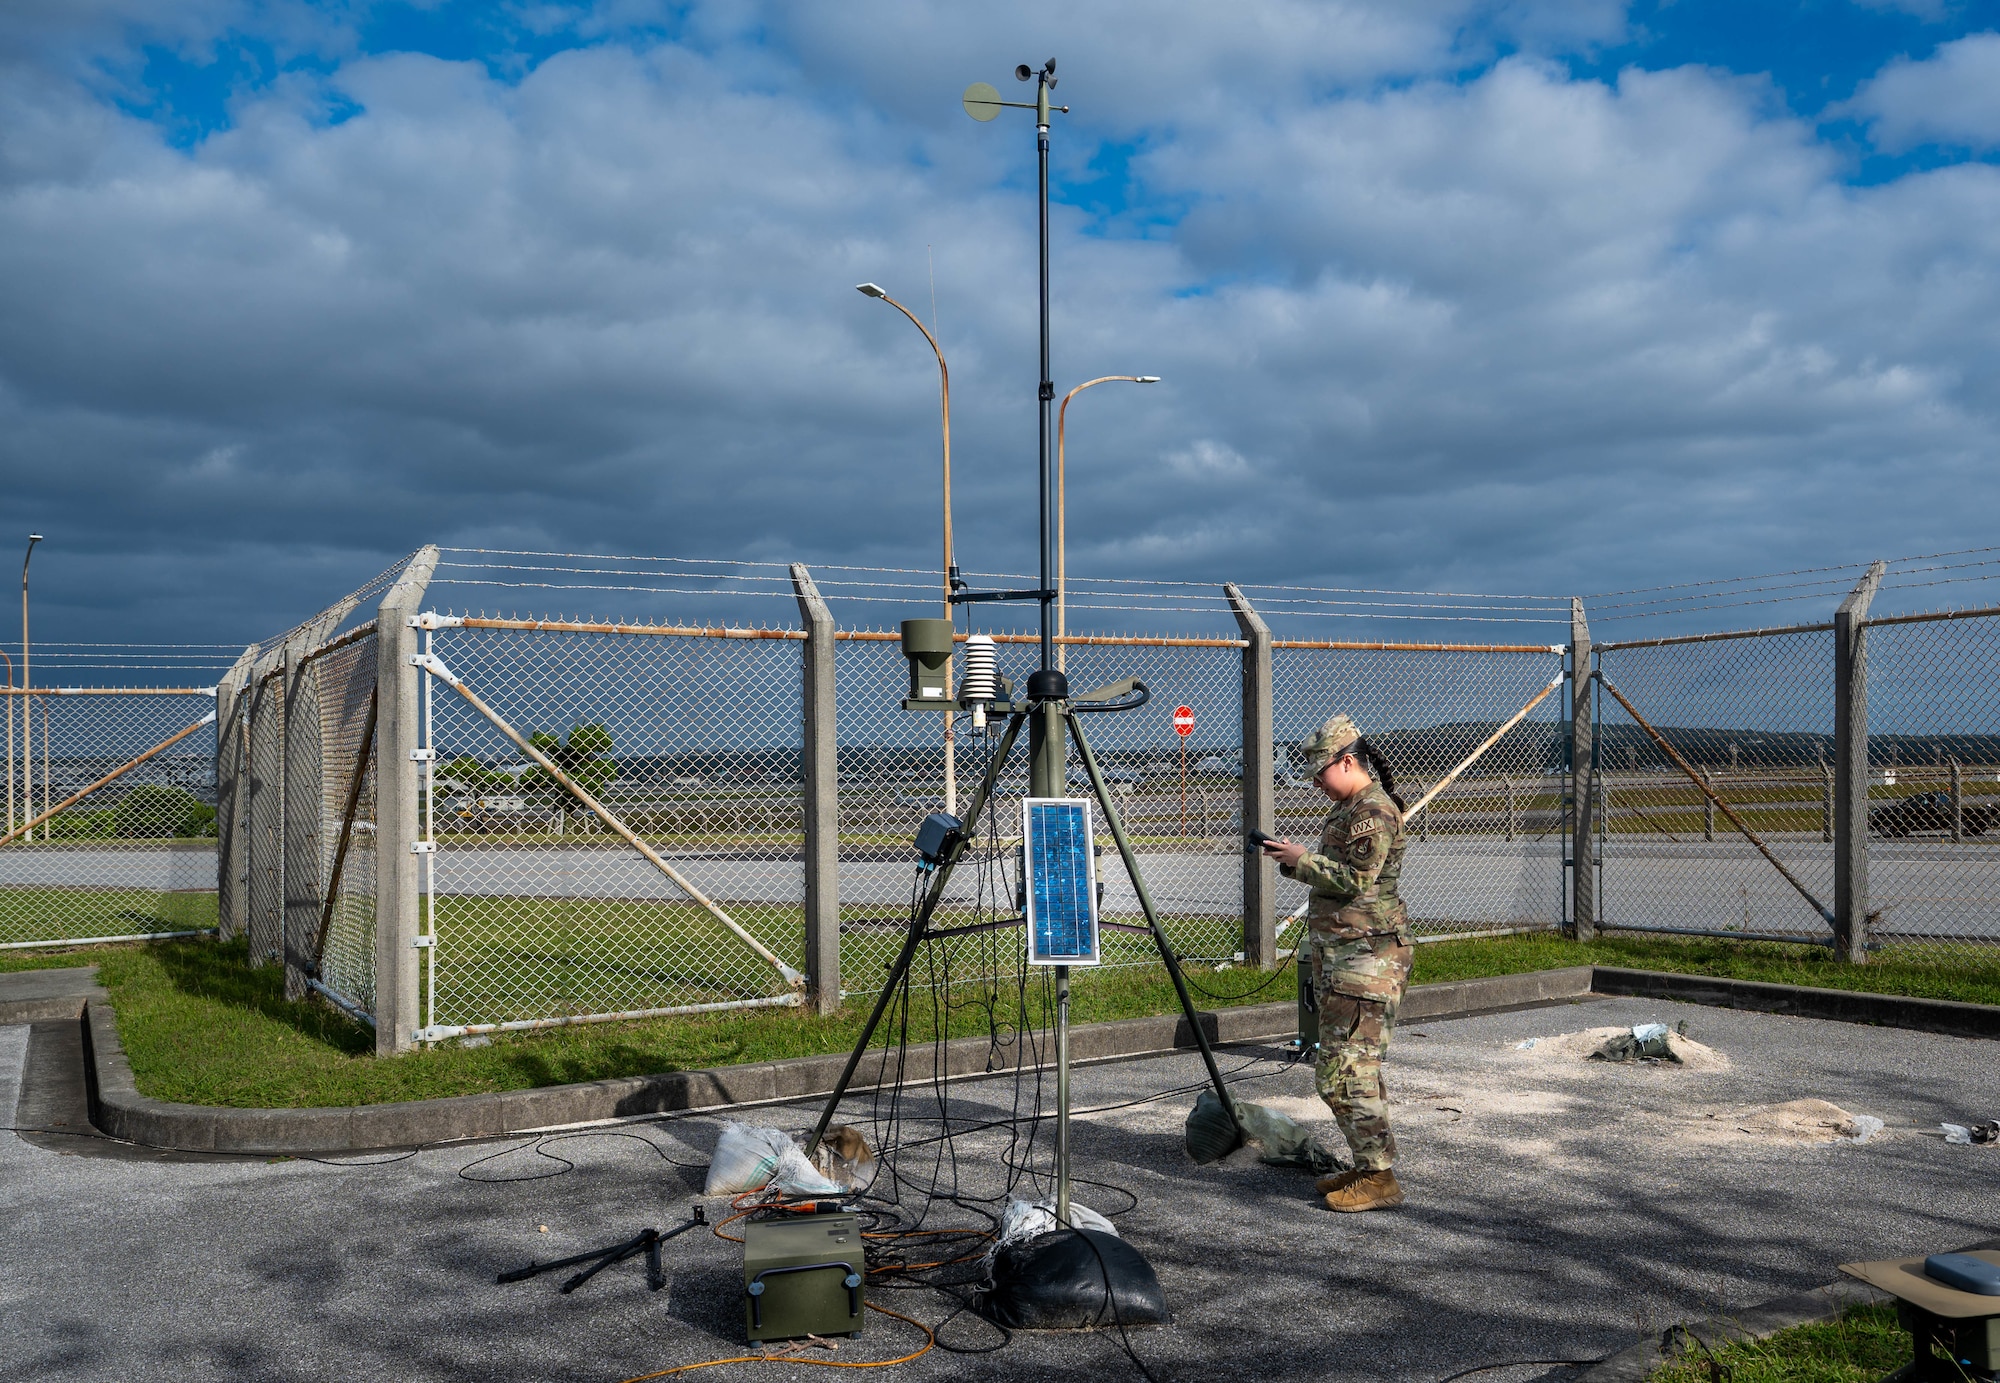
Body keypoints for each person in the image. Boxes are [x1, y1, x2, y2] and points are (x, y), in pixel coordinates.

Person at [1260, 713, 1412, 1213]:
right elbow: (1336, 877)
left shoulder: (1373, 811)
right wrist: (1294, 861)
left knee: (1348, 1071)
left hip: (1367, 960)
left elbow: (1357, 879)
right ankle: (1368, 1164)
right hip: (1346, 958)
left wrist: (1302, 859)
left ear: (1347, 761)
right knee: (1338, 1069)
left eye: (1321, 773)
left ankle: (1378, 1176)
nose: (1318, 784)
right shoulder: (1348, 808)